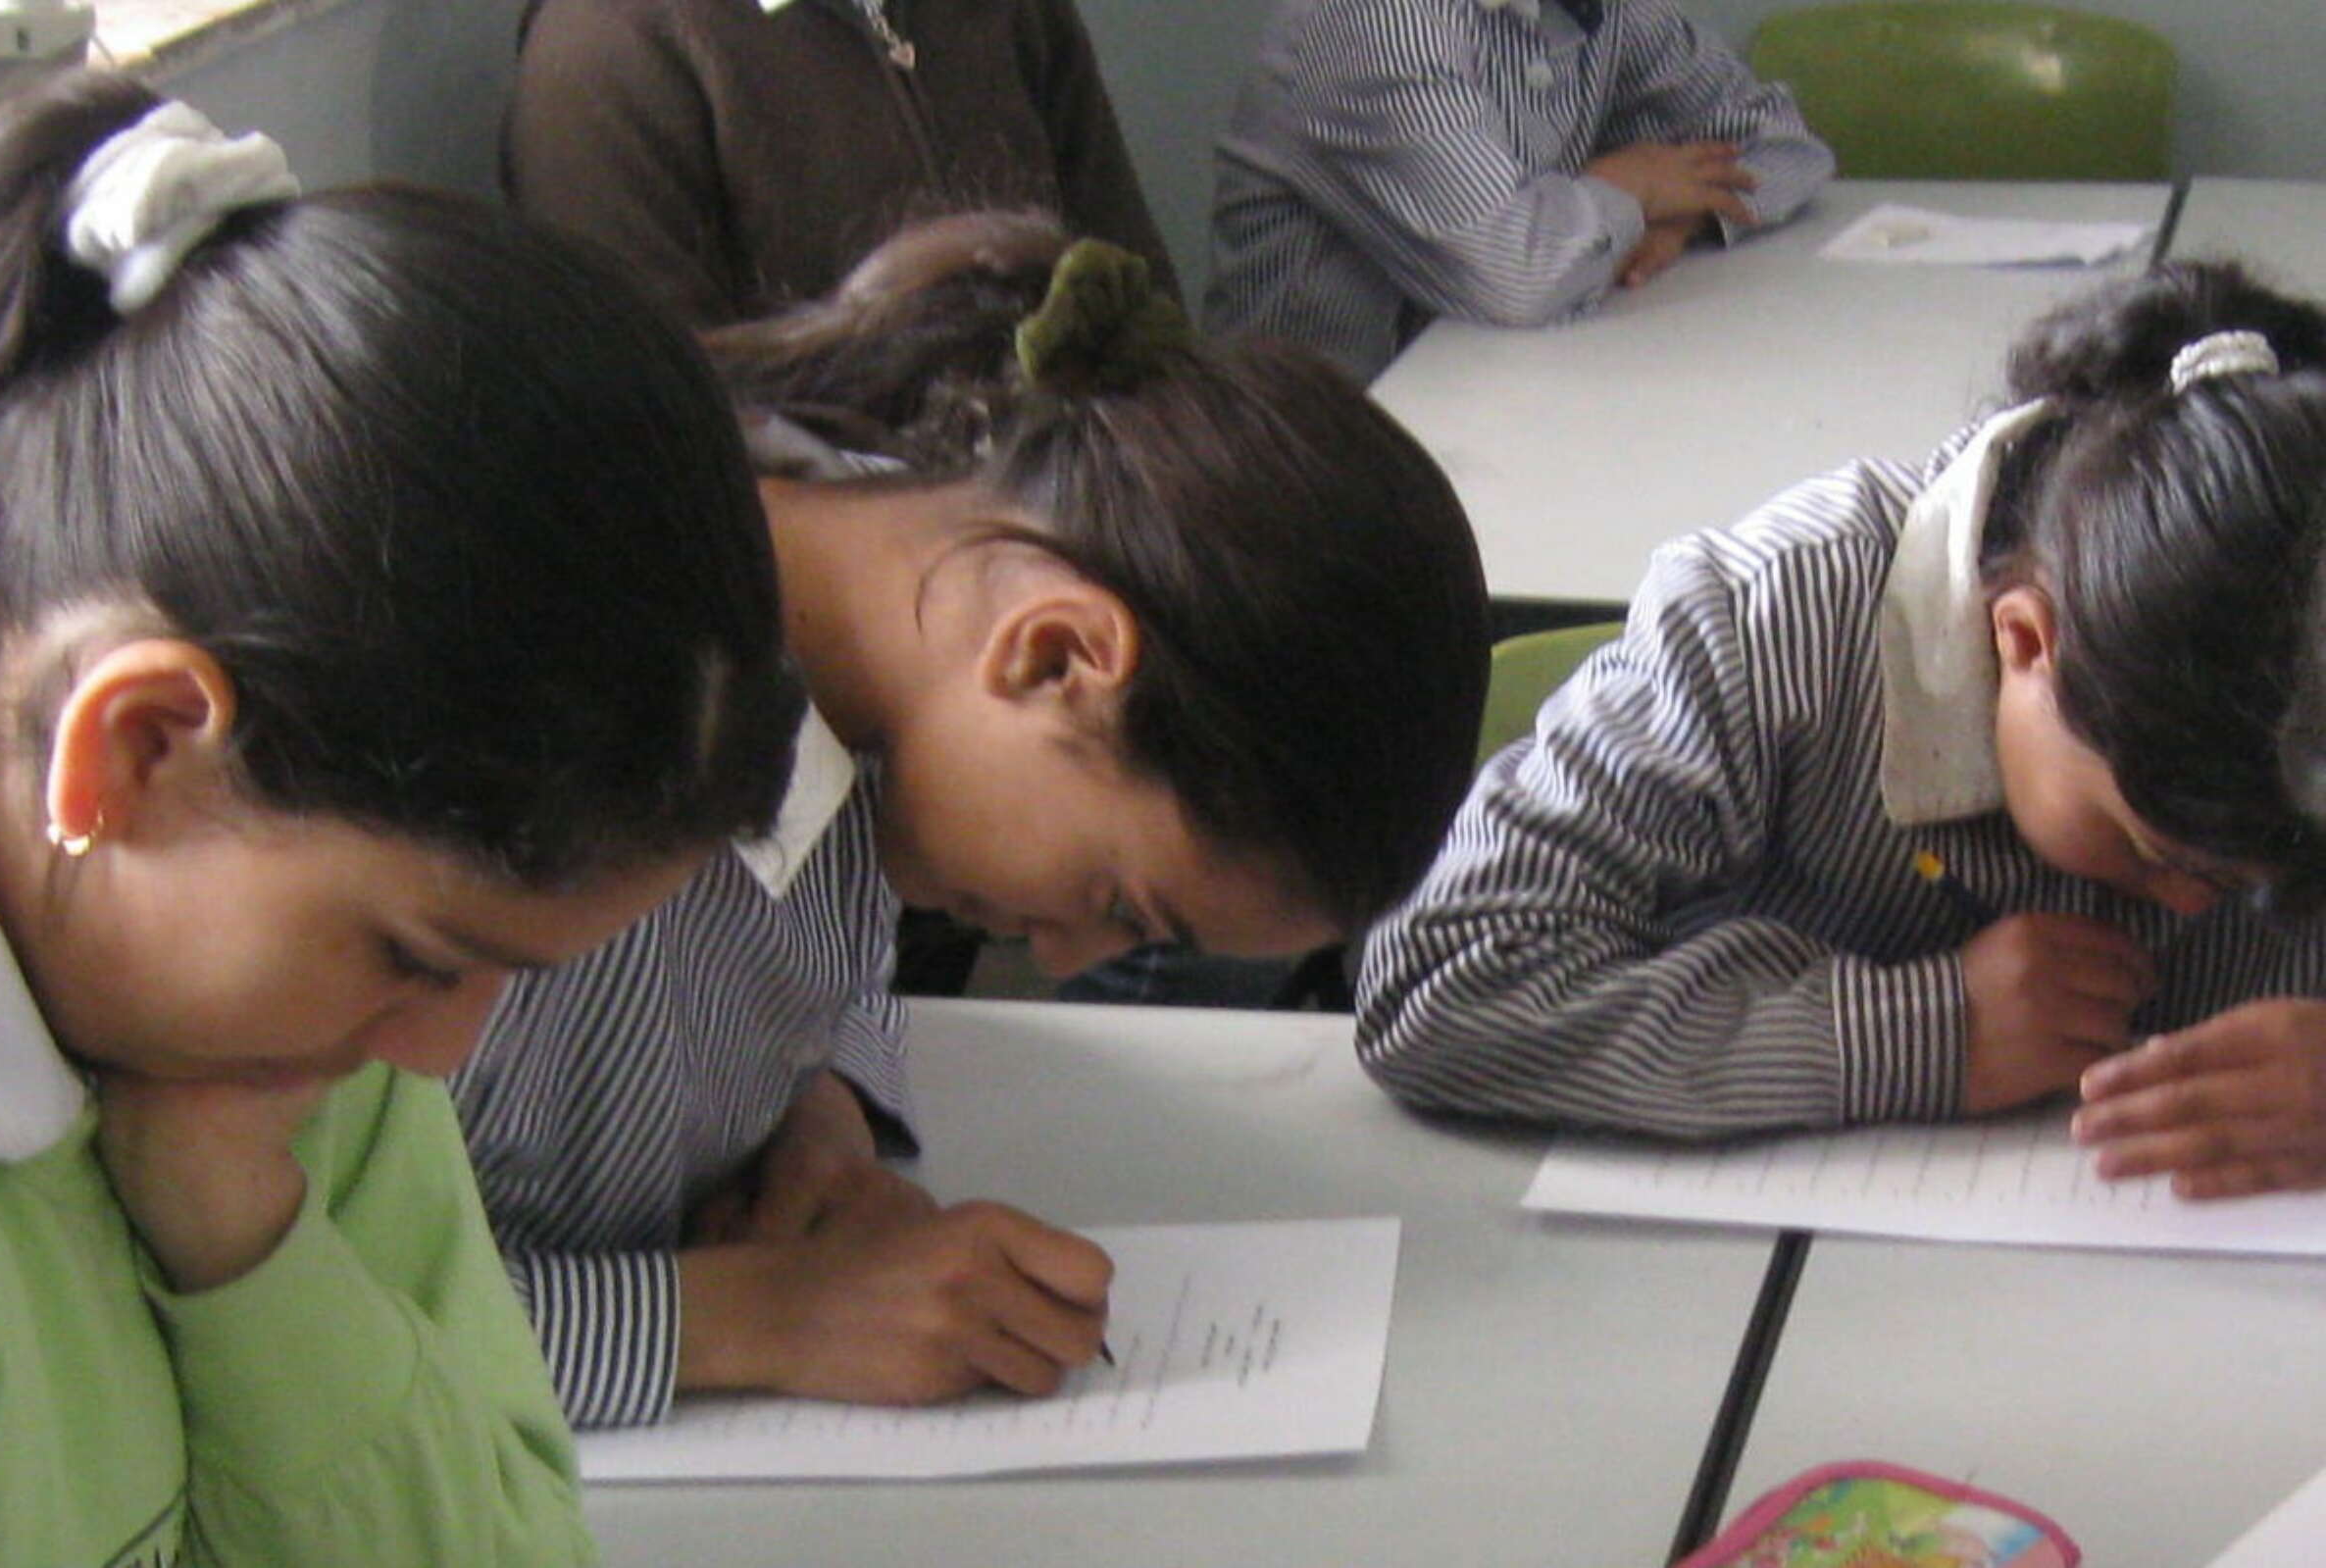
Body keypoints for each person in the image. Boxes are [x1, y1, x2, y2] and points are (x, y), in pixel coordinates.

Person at [451, 209, 1492, 1428]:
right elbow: (297, 1347)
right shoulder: (552, 747)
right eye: (1116, 904)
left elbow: (823, 969)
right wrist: (757, 1318)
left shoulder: (878, 662)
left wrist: (818, 1110)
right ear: (1058, 656)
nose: (1060, 960)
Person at [0, 74, 806, 1564]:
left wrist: (248, 1250)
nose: (444, 1046)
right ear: (141, 744)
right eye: (425, 954)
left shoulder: (276, 1054)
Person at [1357, 260, 2326, 1201]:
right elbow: (1440, 982)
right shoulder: (1771, 625)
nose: (2195, 910)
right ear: (2026, 640)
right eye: (2152, 851)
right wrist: (1925, 1032)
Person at [1204, 0, 1835, 383]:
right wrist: (1635, 188)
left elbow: (1784, 142)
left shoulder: (1603, 11)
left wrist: (1685, 217)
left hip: (1516, 399)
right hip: (1308, 474)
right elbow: (1520, 272)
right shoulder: (1373, 22)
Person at [501, 0, 1177, 330]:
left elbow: (1146, 311)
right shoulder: (602, 53)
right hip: (837, 580)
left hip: (1090, 525)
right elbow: (673, 467)